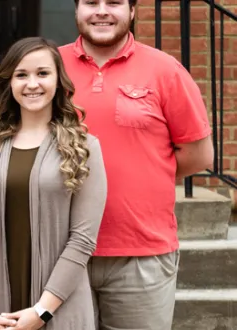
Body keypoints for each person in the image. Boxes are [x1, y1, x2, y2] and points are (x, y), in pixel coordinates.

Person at [59, 1, 213, 329]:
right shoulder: (48, 67)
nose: (102, 11)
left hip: (141, 253)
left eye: (113, 2)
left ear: (131, 11)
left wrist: (147, 173)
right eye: (91, 3)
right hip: (59, 250)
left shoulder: (165, 70)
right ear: (76, 10)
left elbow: (199, 155)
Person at [0, 37, 107, 330]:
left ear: (58, 80)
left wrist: (42, 311)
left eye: (42, 73)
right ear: (9, 83)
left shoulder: (83, 148)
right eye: (21, 75)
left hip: (58, 307)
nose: (32, 84)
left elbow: (82, 240)